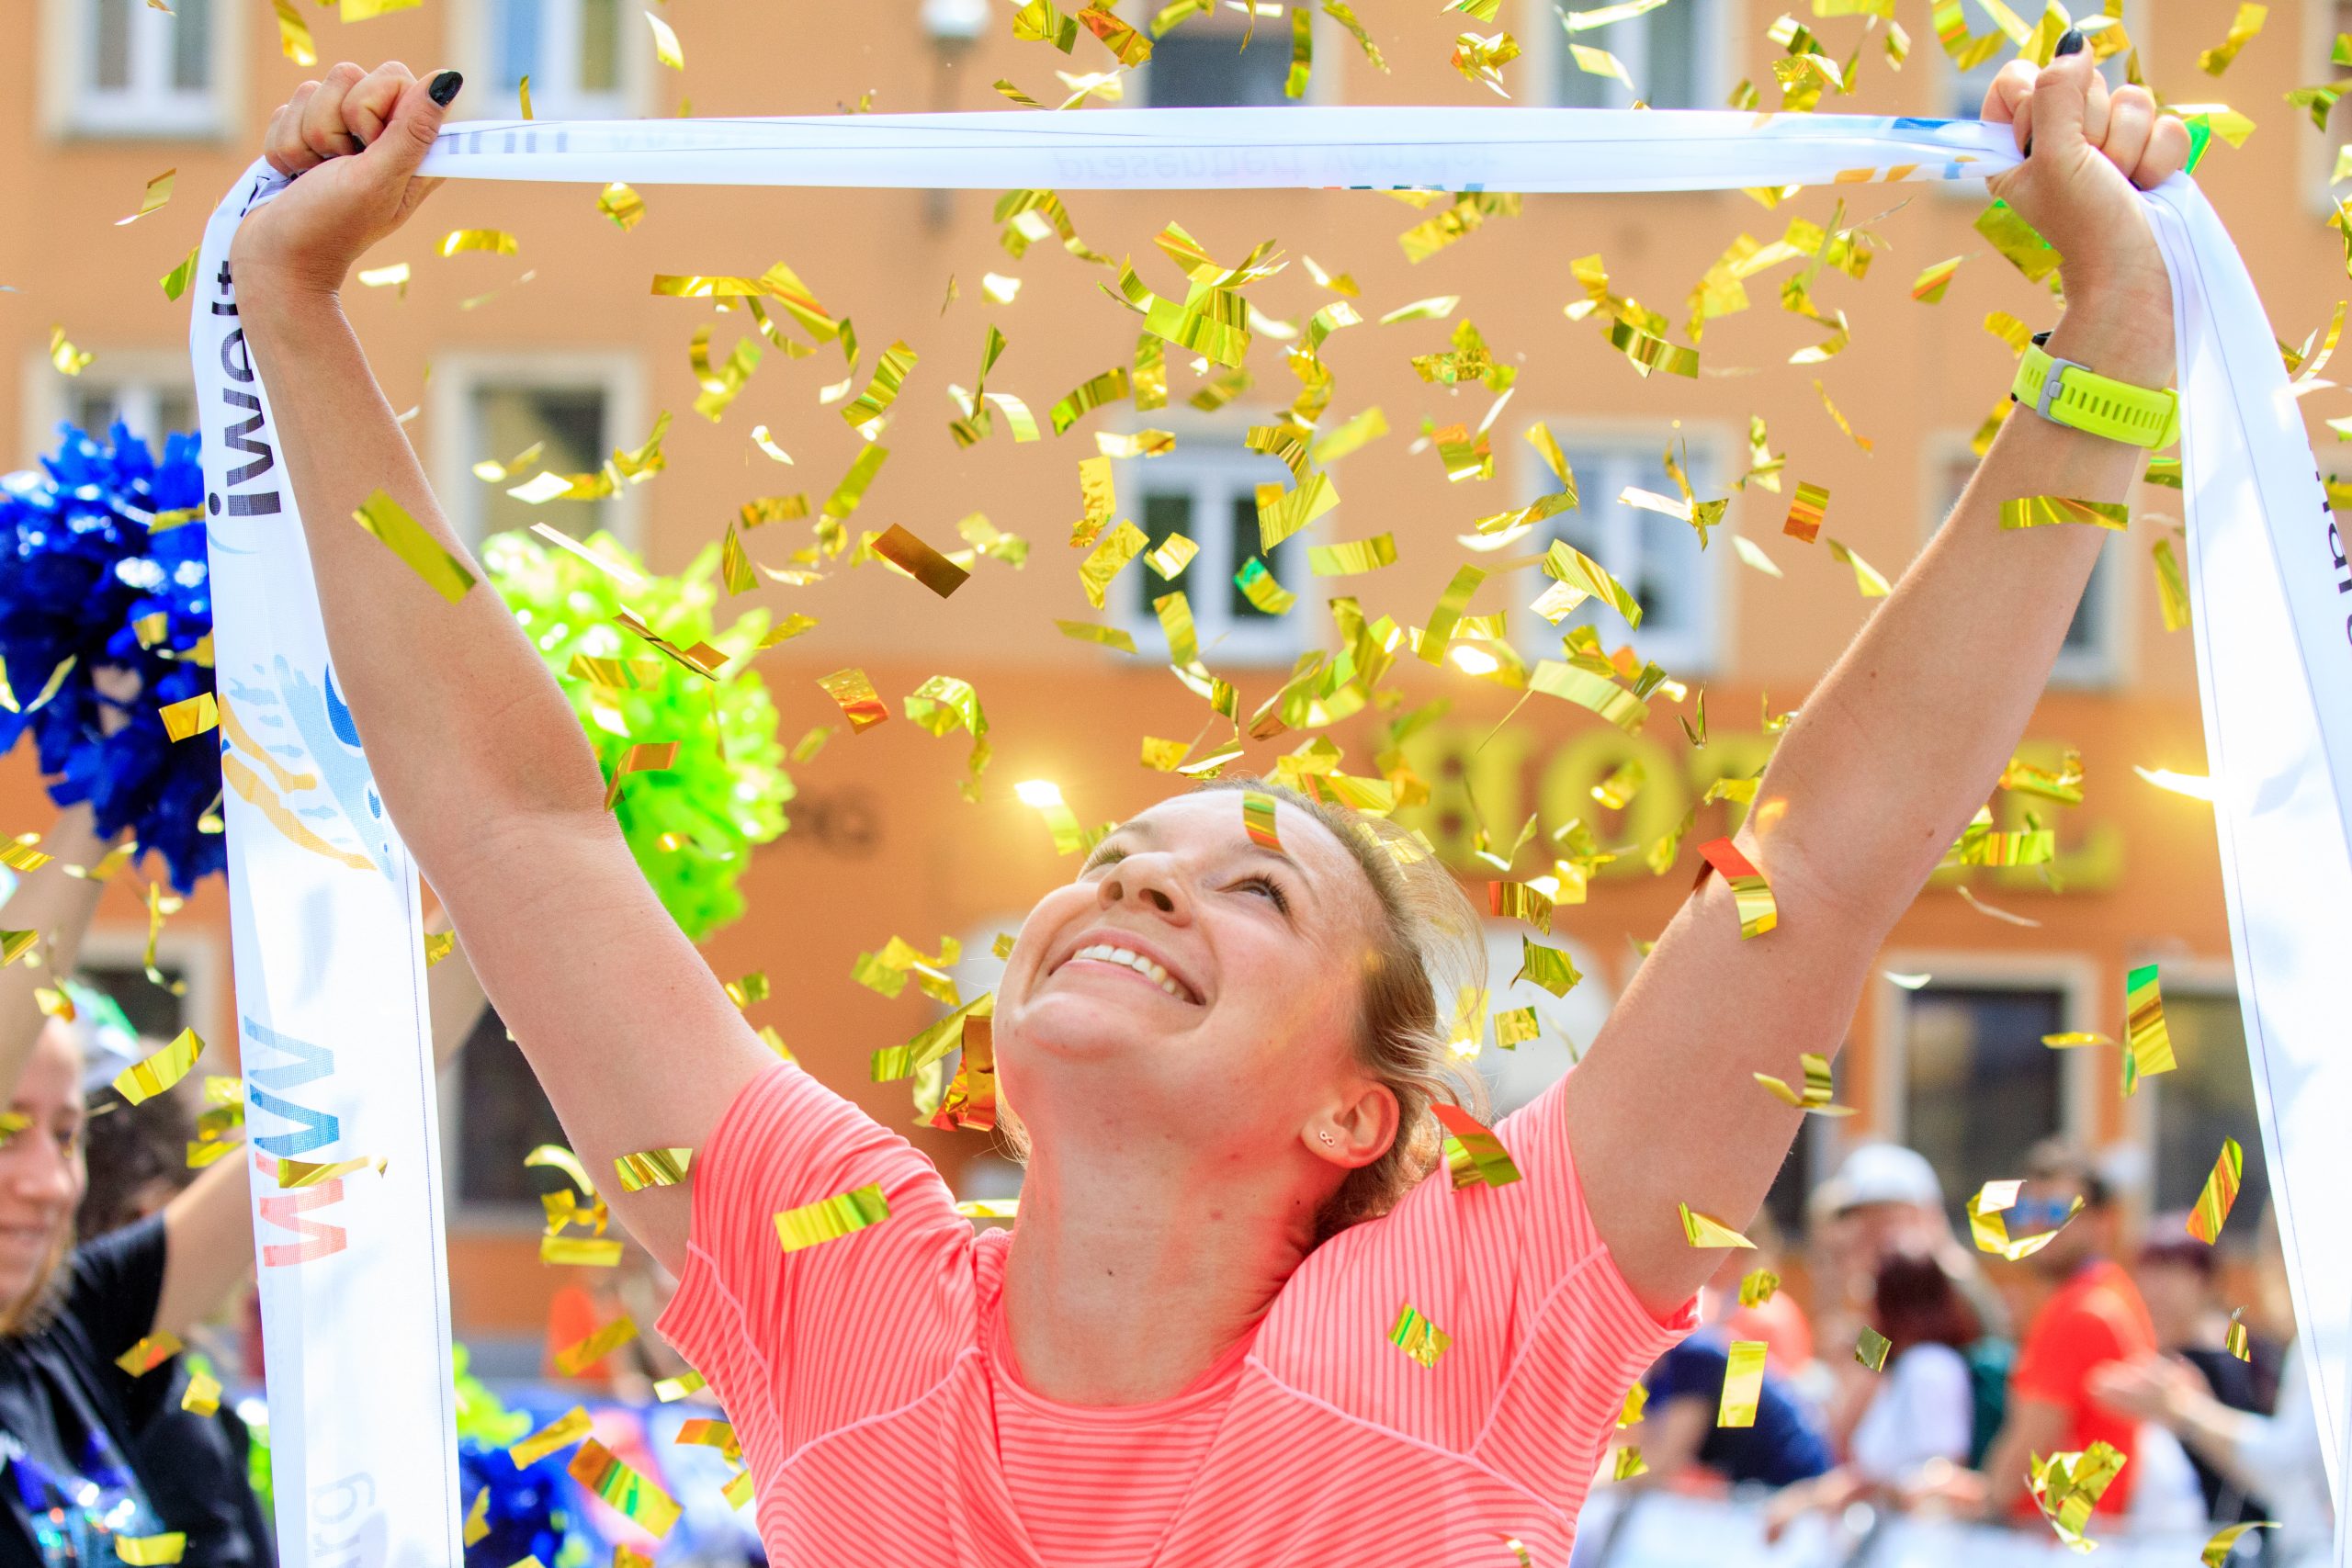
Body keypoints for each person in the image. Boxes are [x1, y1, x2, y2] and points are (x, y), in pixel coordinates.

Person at [226, 41, 2189, 1564]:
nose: (1127, 885)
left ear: (1359, 1104)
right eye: (1108, 861)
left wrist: (2107, 347)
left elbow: (1826, 858)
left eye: (1245, 888)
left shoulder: (1465, 1306)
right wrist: (294, 317)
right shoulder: (840, 1286)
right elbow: (516, 824)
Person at [0, 795, 488, 1565]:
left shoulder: (79, 1332)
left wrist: (518, 839)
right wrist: (105, 785)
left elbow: (357, 1105)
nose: (48, 1182)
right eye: (5, 1130)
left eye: (66, 1135)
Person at [1968, 1142, 2160, 1526]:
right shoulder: (2113, 1291)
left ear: (2103, 1222)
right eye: (2026, 1210)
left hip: (2058, 1539)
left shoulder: (2081, 1311)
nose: (2036, 1224)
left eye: (2056, 1211)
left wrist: (1971, 1504)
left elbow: (2023, 1457)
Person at [2132, 1221, 2278, 1525]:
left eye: (2170, 1273)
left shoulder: (2235, 1357)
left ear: (2205, 1281)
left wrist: (2193, 1409)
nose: (2154, 1290)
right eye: (2148, 1274)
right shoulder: (2153, 1355)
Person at [1624, 1329, 1832, 1494]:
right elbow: (1643, 1447)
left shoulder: (1696, 1353)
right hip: (1757, 1488)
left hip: (1798, 1488)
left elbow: (1663, 1460)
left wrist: (1600, 1475)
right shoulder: (1659, 1369)